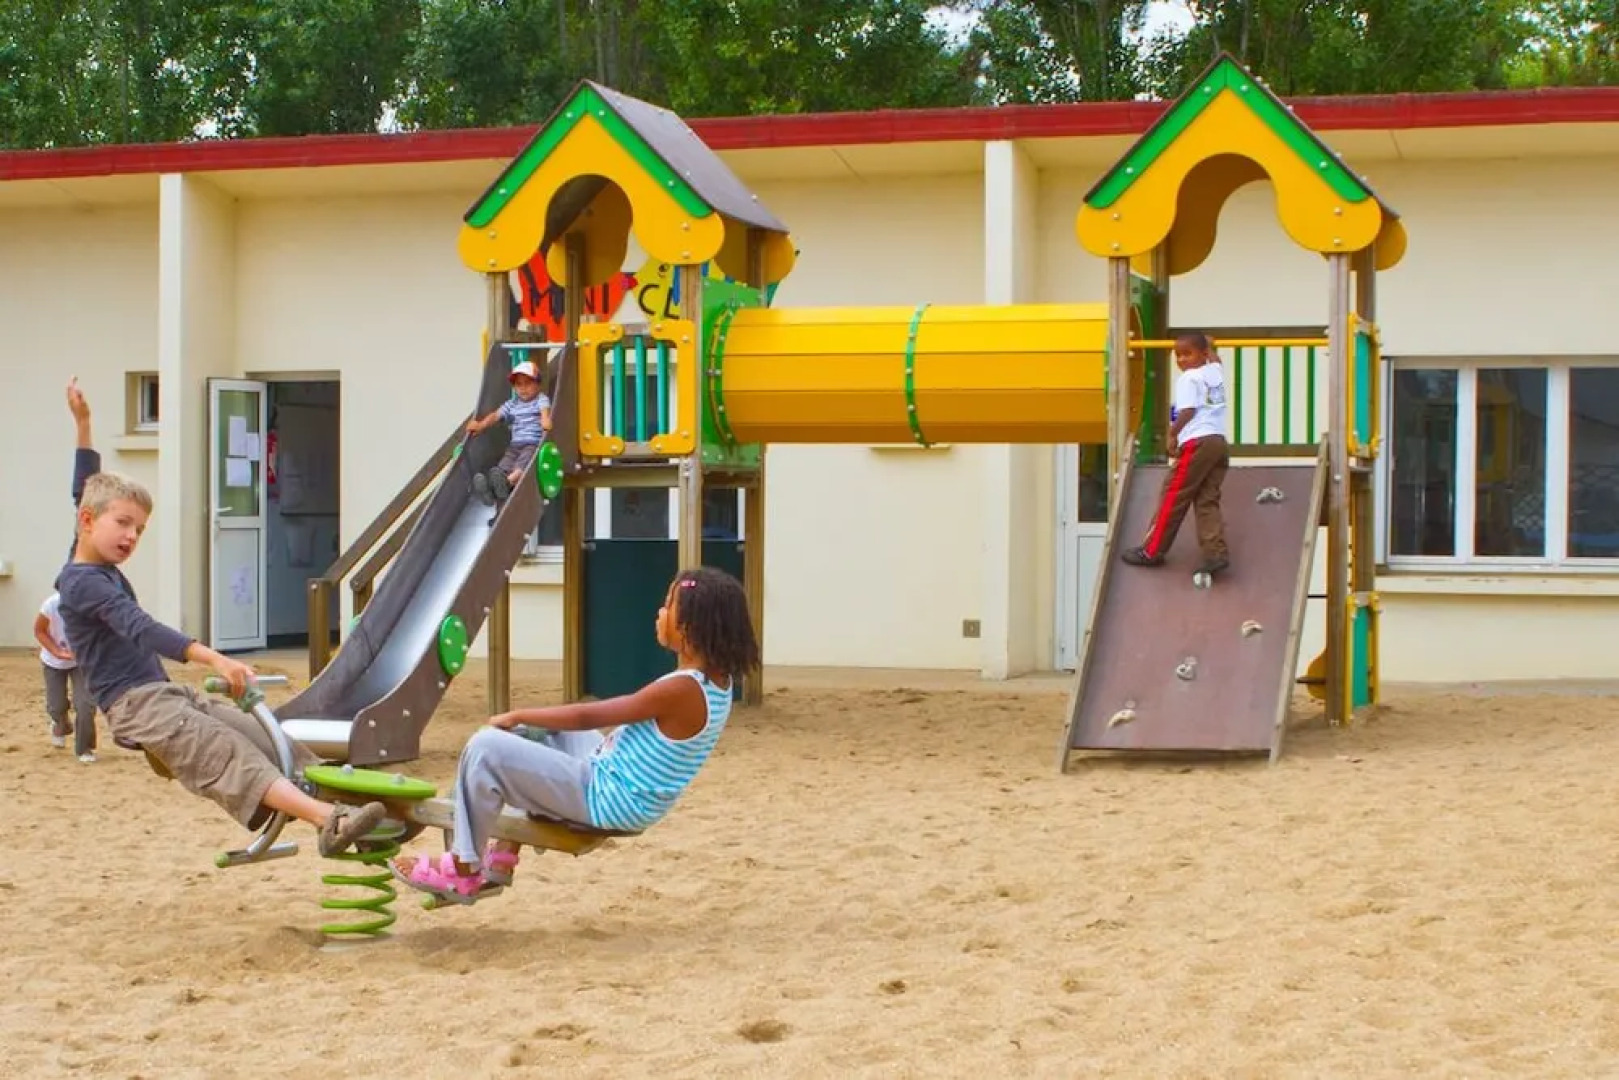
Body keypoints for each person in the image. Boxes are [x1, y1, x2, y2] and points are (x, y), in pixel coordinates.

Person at [55, 460, 386, 857]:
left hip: (169, 694)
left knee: (271, 739)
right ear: (87, 521)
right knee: (228, 753)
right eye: (124, 523)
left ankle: (357, 802)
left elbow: (84, 488)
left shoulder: (95, 557)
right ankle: (330, 821)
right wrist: (215, 659)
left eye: (139, 529)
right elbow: (140, 627)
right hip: (138, 707)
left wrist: (83, 424)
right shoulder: (82, 582)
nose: (132, 536)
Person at [390, 566, 761, 906]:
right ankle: (500, 858)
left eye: (669, 605)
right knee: (532, 734)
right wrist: (527, 725)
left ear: (691, 627)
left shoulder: (681, 690)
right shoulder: (718, 683)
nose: (659, 612)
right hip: (620, 783)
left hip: (609, 797)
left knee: (486, 747)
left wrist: (518, 712)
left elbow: (588, 714)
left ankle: (463, 867)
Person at [1121, 331, 1231, 575]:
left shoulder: (1188, 379)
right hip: (1218, 442)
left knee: (1174, 494)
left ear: (1201, 354)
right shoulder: (1214, 372)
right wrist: (1209, 346)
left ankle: (1152, 550)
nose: (1181, 360)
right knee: (1206, 499)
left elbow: (1188, 411)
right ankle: (1215, 553)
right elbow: (1216, 360)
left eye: (1187, 354)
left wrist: (1172, 434)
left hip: (1196, 442)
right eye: (1177, 355)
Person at [465, 357, 552, 507]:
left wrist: (545, 420)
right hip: (514, 445)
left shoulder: (540, 400)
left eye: (528, 383)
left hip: (532, 444)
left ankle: (507, 482)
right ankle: (490, 489)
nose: (523, 388)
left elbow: (545, 412)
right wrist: (481, 425)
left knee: (522, 464)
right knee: (502, 467)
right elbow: (495, 416)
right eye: (519, 385)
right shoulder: (512, 404)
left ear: (537, 384)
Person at [36, 590, 97, 761]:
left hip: (82, 661)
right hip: (53, 661)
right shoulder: (51, 605)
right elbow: (39, 631)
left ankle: (84, 748)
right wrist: (57, 652)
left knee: (85, 705)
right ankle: (60, 725)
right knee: (56, 705)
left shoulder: (93, 606)